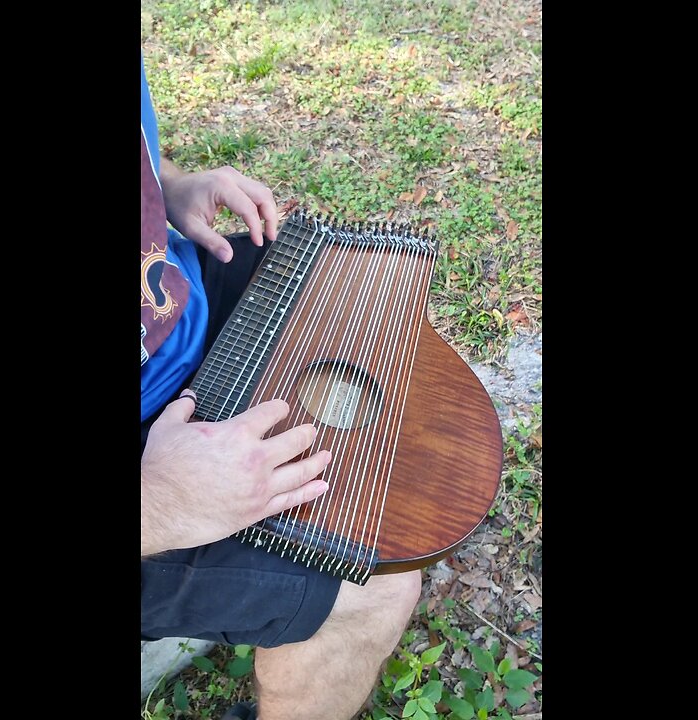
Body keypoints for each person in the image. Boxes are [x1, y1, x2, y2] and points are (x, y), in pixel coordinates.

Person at [139, 55, 423, 720]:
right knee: (372, 590)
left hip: (184, 307)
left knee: (372, 294)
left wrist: (168, 189)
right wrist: (164, 499)